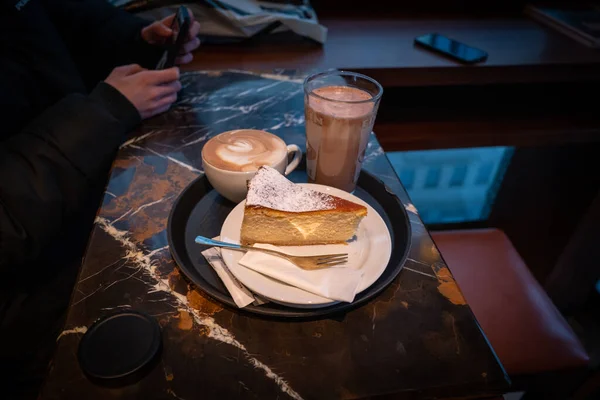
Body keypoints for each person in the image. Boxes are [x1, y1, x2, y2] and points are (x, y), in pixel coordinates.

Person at [0, 0, 201, 397]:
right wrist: (105, 111)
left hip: (77, 183)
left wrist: (135, 40)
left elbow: (52, 23)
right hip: (28, 290)